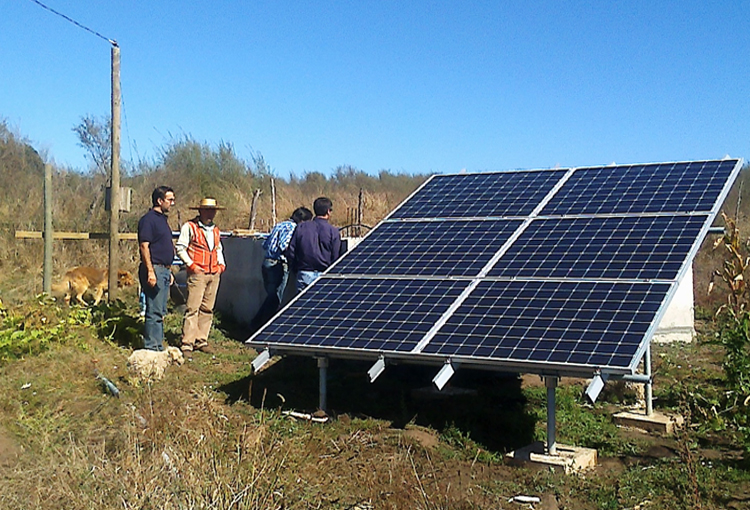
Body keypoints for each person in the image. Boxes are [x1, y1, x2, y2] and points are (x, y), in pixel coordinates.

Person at [175, 197, 227, 356]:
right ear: (200, 211)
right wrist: (192, 266)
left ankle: (201, 340)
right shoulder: (189, 227)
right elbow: (180, 248)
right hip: (197, 274)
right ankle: (187, 343)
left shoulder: (216, 229)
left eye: (213, 210)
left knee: (207, 309)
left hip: (213, 273)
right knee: (192, 308)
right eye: (208, 210)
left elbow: (218, 248)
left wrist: (221, 265)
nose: (211, 213)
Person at [251, 207, 313, 329]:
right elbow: (285, 245)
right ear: (302, 220)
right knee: (275, 298)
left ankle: (256, 324)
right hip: (278, 264)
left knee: (271, 296)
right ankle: (263, 327)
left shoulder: (280, 225)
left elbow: (265, 244)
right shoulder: (292, 228)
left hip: (267, 262)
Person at [138, 186, 176, 351]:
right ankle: (152, 347)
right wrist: (151, 272)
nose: (172, 203)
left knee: (160, 310)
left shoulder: (163, 220)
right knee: (153, 311)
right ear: (159, 201)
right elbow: (144, 246)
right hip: (155, 269)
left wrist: (169, 271)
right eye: (170, 200)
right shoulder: (148, 220)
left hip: (164, 270)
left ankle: (158, 345)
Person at [287, 197, 342, 291]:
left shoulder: (301, 227)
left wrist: (295, 268)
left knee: (301, 305)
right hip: (324, 275)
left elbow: (291, 251)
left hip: (304, 274)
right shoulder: (333, 231)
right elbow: (335, 256)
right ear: (328, 211)